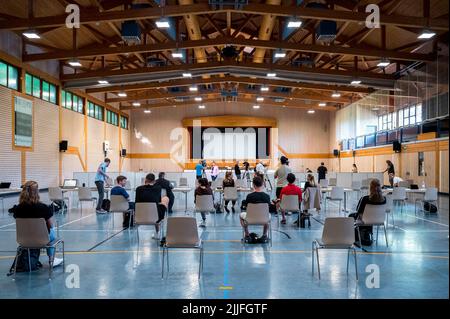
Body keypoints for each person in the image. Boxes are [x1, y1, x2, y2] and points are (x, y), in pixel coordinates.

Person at [12, 181, 63, 267]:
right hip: (41, 239)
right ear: (36, 192)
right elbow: (50, 226)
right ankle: (51, 259)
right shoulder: (43, 208)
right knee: (52, 232)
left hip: (24, 239)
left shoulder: (18, 209)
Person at [135, 173, 169, 239]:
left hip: (140, 215)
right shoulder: (158, 188)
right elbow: (159, 200)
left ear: (145, 180)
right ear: (154, 181)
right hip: (155, 215)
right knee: (165, 199)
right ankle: (157, 232)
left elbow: (137, 201)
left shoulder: (138, 189)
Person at [240, 176, 271, 242]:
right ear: (262, 184)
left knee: (241, 216)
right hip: (263, 218)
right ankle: (264, 235)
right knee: (268, 215)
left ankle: (247, 235)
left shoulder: (249, 196)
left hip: (250, 218)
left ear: (253, 185)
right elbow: (269, 208)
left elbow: (246, 208)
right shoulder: (267, 196)